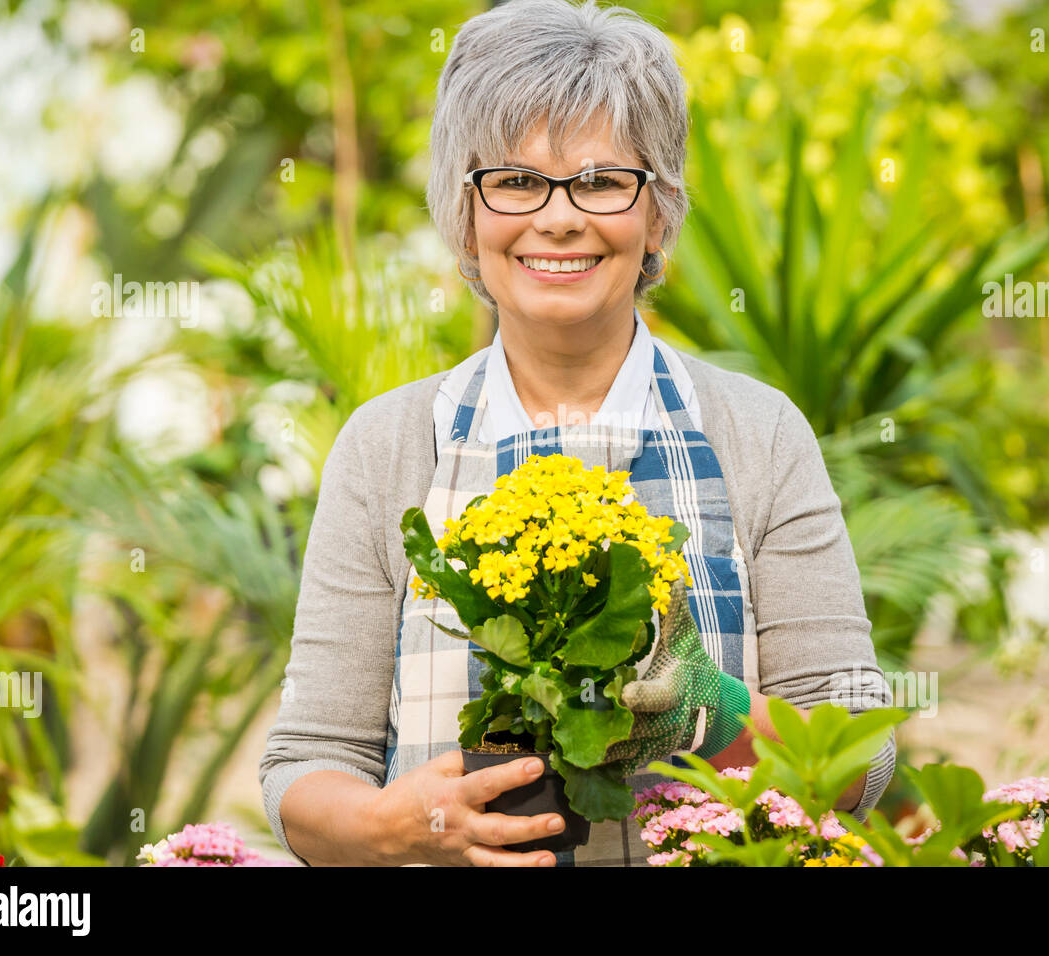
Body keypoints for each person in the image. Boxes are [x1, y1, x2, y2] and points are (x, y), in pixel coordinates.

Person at [259, 0, 895, 867]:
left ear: (659, 212)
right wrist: (399, 825)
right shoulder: (388, 447)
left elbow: (861, 747)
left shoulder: (758, 434)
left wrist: (708, 710)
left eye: (601, 181)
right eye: (516, 181)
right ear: (466, 212)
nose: (558, 218)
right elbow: (306, 765)